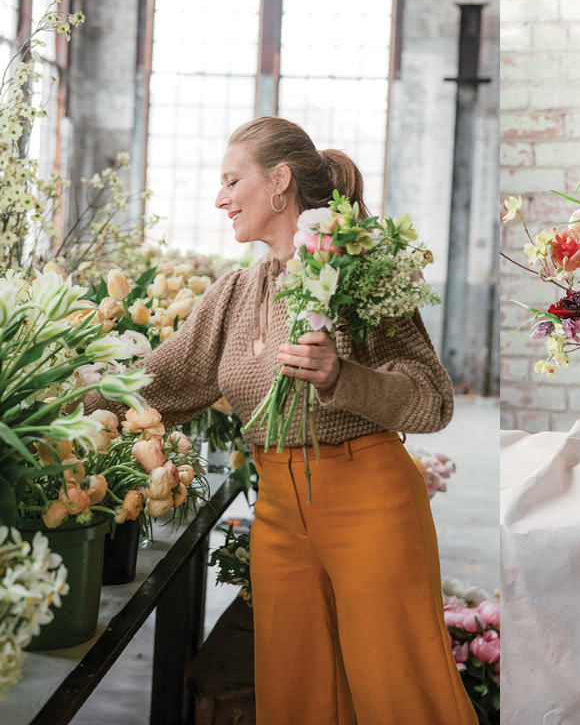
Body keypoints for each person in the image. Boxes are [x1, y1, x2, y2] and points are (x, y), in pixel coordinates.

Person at [85, 116, 479, 725]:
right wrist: (56, 404)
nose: (220, 198)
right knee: (293, 701)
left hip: (370, 502)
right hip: (277, 516)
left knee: (402, 697)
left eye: (231, 180)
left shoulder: (361, 271)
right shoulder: (234, 294)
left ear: (279, 182)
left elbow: (432, 399)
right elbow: (156, 384)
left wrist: (342, 377)